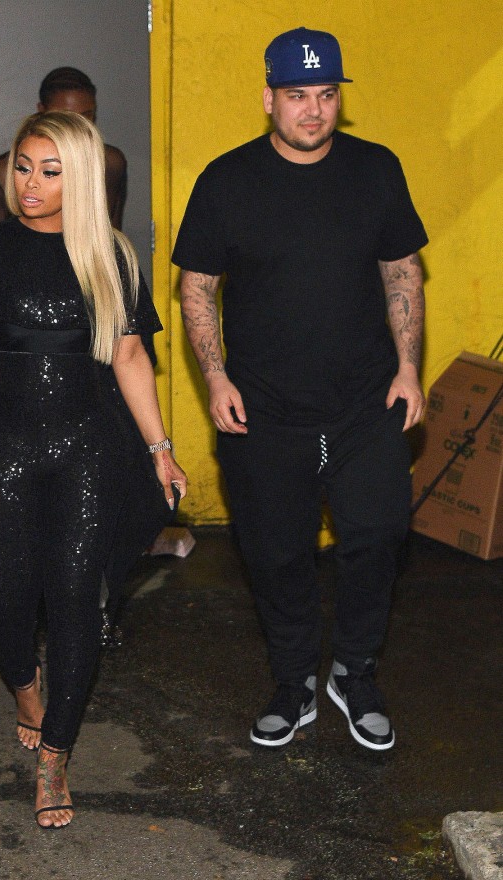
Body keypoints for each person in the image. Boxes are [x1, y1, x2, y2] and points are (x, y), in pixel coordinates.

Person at [173, 27, 427, 752]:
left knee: (376, 537)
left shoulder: (376, 169)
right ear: (268, 99)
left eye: (325, 95)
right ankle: (294, 682)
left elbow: (402, 273)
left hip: (366, 402)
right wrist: (215, 377)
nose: (312, 110)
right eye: (296, 96)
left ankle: (355, 671)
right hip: (263, 408)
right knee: (276, 553)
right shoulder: (226, 181)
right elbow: (197, 287)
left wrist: (408, 367)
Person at [0, 110, 186, 827]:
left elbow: (130, 357)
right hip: (2, 446)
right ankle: (24, 685)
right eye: (23, 167)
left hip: (88, 448)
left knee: (77, 597)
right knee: (8, 599)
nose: (31, 184)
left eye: (50, 171)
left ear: (81, 178)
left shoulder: (110, 254)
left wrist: (160, 448)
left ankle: (55, 755)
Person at [0, 67, 127, 229]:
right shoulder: (2, 170)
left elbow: (112, 232)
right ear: (41, 110)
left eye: (86, 115)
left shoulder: (110, 162)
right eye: (24, 169)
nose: (77, 126)